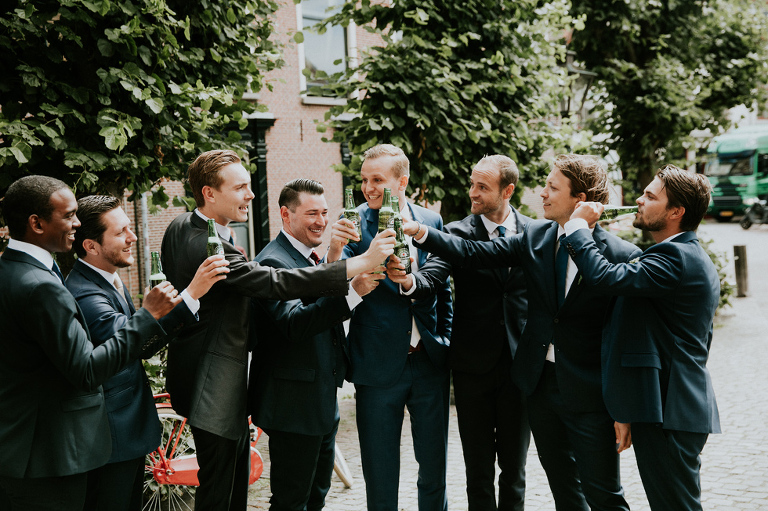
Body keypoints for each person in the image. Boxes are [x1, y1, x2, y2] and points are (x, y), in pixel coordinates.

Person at [397, 154, 641, 511]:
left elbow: (625, 337)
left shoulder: (623, 255)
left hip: (590, 395)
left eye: (552, 187)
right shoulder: (537, 236)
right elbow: (473, 252)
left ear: (580, 199)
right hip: (539, 385)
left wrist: (624, 407)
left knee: (603, 494)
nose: (542, 193)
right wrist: (419, 231)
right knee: (563, 488)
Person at [160, 149, 395, 511]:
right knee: (224, 495)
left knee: (232, 491)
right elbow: (276, 283)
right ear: (209, 193)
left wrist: (334, 255)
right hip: (215, 384)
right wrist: (360, 264)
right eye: (240, 187)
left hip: (214, 381)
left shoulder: (183, 225)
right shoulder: (208, 246)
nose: (251, 194)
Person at [0, 176, 181, 511]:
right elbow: (85, 370)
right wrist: (147, 316)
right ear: (36, 224)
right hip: (47, 457)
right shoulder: (40, 285)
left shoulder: (15, 269)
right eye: (69, 215)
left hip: (22, 448)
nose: (77, 223)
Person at [563, 165, 720, 511]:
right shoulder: (682, 255)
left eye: (650, 196)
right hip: (664, 407)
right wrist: (629, 409)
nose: (639, 200)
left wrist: (577, 229)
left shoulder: (675, 257)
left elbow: (605, 277)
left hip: (671, 409)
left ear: (676, 212)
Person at [65, 195, 229, 511]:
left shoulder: (108, 279)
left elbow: (140, 345)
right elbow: (127, 341)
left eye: (130, 227)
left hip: (126, 434)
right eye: (121, 232)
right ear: (91, 246)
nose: (133, 237)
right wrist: (191, 293)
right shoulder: (86, 295)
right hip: (110, 437)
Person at [391, 155, 531, 510]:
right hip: (472, 368)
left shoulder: (535, 232)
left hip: (520, 368)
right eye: (472, 184)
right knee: (478, 471)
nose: (473, 193)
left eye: (482, 187)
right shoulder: (456, 232)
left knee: (515, 470)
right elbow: (433, 276)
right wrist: (409, 282)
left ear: (507, 191)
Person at [327, 144, 453, 511]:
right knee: (380, 473)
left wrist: (444, 339)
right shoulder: (353, 222)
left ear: (402, 182)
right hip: (376, 364)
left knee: (435, 469)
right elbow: (333, 283)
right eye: (364, 179)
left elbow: (443, 288)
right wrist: (335, 250)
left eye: (377, 180)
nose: (368, 188)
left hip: (428, 359)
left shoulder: (431, 221)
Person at [249, 179, 370, 511]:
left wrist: (334, 256)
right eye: (312, 213)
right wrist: (353, 291)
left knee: (317, 495)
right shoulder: (273, 262)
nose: (321, 221)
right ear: (286, 215)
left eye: (325, 212)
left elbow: (314, 295)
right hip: (293, 405)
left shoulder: (309, 256)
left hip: (320, 399)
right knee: (292, 501)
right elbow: (295, 323)